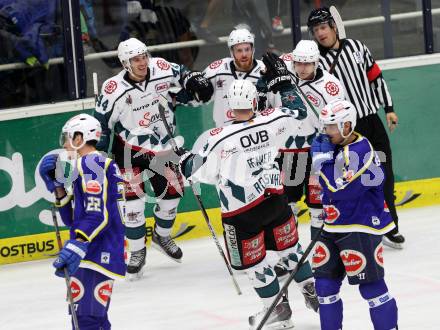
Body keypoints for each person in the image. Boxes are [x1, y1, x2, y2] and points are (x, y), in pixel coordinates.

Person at [178, 77, 319, 329]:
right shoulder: (271, 118)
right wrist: (285, 84)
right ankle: (311, 289)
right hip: (276, 201)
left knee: (255, 263)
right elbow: (299, 110)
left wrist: (184, 159)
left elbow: (197, 172)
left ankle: (278, 310)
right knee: (289, 249)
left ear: (229, 106)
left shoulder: (215, 137)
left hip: (242, 213)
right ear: (254, 100)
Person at [93, 37, 213, 280]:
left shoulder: (161, 68)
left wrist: (195, 81)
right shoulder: (112, 90)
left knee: (172, 196)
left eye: (144, 56)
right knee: (134, 204)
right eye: (136, 59)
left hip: (162, 146)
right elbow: (103, 126)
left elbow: (184, 76)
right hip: (129, 151)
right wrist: (98, 159)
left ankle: (161, 235)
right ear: (125, 63)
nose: (142, 62)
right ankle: (137, 252)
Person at [307, 7, 405, 249]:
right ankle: (359, 225)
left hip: (372, 122)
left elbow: (376, 78)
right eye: (315, 30)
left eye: (323, 27)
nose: (320, 33)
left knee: (383, 173)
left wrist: (389, 108)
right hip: (347, 131)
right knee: (354, 179)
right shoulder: (317, 61)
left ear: (333, 27)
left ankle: (389, 224)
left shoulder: (357, 48)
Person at [310, 99, 398, 330]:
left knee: (371, 287)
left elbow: (338, 188)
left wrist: (320, 163)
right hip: (333, 224)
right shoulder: (335, 145)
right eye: (325, 126)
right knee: (324, 286)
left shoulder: (360, 150)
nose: (325, 132)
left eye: (330, 127)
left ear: (346, 126)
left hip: (361, 225)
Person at [265, 39, 345, 278]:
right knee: (287, 207)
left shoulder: (331, 86)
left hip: (318, 150)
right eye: (298, 63)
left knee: (318, 208)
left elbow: (338, 121)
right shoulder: (283, 79)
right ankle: (291, 258)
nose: (301, 68)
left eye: (307, 64)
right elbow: (268, 110)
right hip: (289, 152)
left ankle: (322, 255)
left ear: (316, 62)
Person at [38, 114, 126, 329]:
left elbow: (98, 215)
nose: (64, 144)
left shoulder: (92, 163)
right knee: (89, 318)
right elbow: (73, 218)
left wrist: (78, 242)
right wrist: (59, 189)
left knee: (87, 320)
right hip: (92, 249)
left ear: (80, 137)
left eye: (66, 138)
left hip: (99, 250)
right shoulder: (84, 166)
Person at [203, 27, 265, 127]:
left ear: (253, 50)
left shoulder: (265, 72)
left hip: (257, 134)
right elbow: (197, 97)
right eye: (239, 50)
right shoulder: (217, 70)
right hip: (225, 135)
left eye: (247, 49)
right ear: (232, 52)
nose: (244, 54)